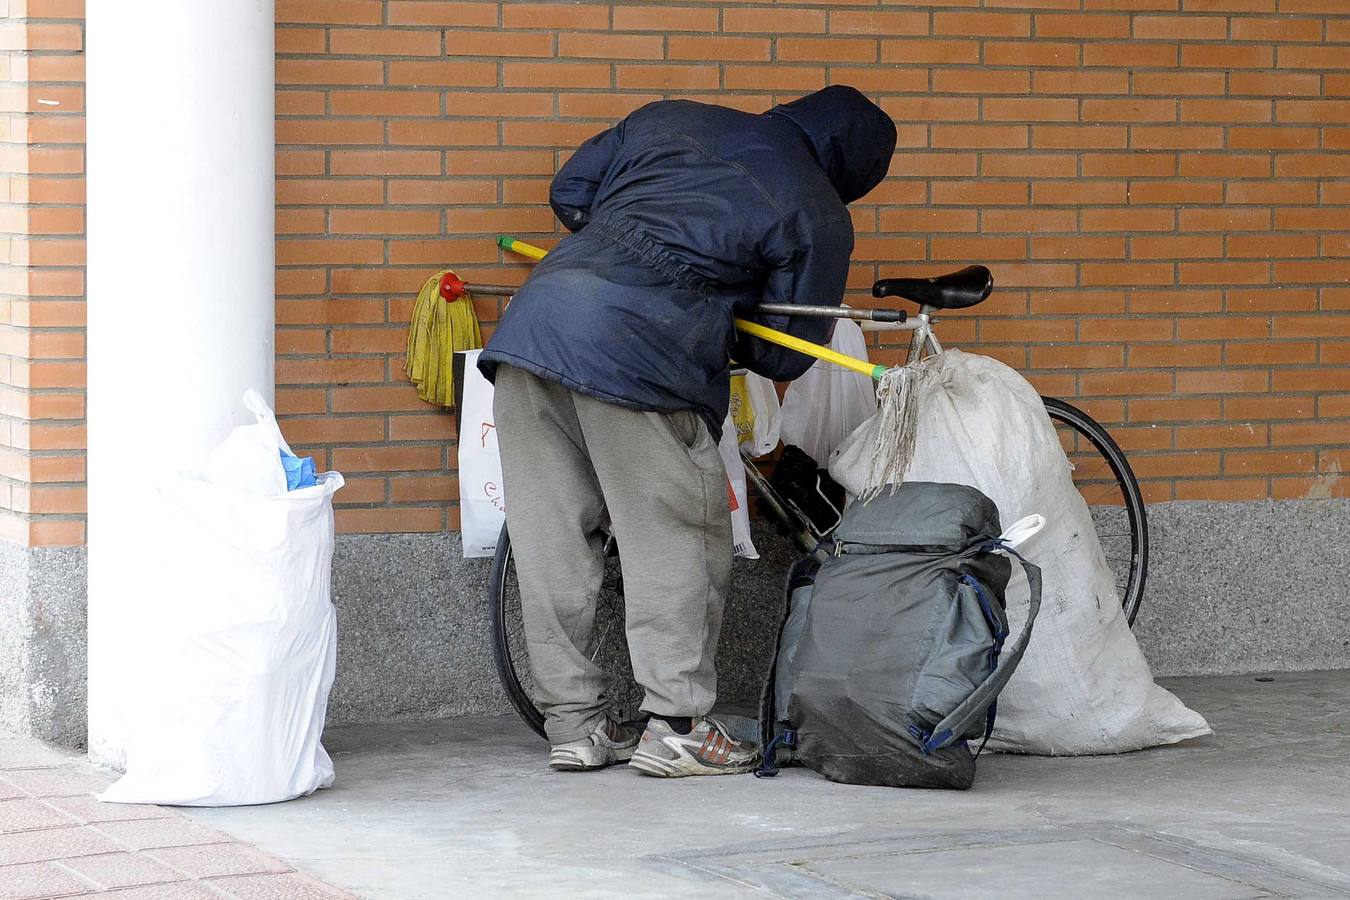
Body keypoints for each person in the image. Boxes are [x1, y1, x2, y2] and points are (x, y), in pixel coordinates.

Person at [478, 85, 897, 777]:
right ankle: (675, 726)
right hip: (641, 360)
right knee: (678, 539)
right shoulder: (814, 206)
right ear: (850, 168)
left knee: (552, 542)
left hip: (533, 334)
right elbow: (785, 355)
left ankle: (575, 727)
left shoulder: (669, 118)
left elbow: (571, 191)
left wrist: (628, 246)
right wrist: (717, 303)